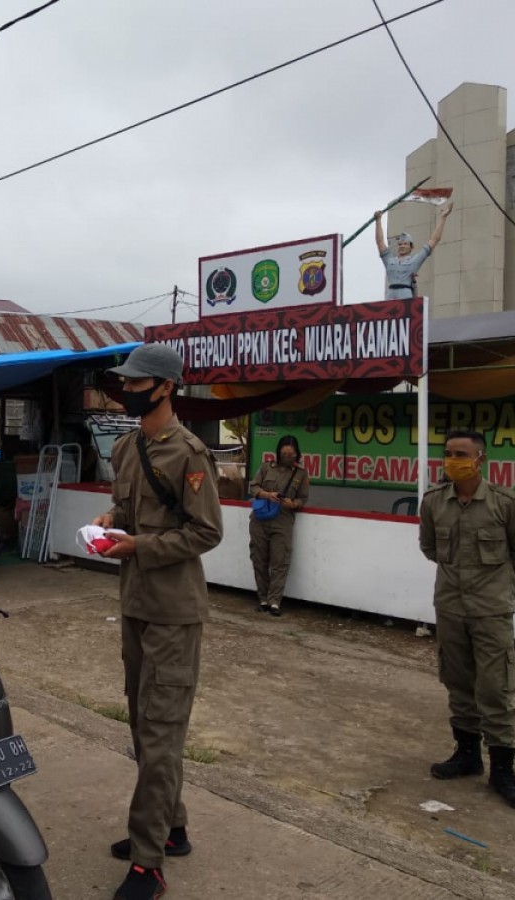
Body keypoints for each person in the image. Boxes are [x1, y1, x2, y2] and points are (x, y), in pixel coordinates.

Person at [90, 343, 223, 900]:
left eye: (138, 382)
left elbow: (206, 532)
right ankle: (172, 827)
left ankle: (148, 862)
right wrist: (109, 519)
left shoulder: (189, 453)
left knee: (163, 733)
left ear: (165, 387)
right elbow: (129, 509)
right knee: (146, 727)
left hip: (174, 614)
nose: (127, 389)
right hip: (136, 606)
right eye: (125, 381)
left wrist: (137, 544)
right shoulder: (126, 446)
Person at [418, 428, 515, 811]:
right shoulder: (434, 501)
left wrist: (497, 587)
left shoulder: (506, 502)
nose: (452, 459)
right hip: (450, 609)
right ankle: (467, 754)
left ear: (480, 459)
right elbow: (429, 548)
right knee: (457, 681)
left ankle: (503, 769)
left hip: (491, 611)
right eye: (449, 452)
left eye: (461, 453)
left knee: (495, 687)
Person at [247, 435, 311, 617]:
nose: (287, 457)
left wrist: (293, 503)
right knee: (259, 560)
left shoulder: (301, 474)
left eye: (291, 455)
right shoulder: (267, 467)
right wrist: (266, 494)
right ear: (278, 453)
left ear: (296, 455)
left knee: (280, 562)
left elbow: (303, 499)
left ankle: (275, 601)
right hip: (260, 520)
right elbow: (253, 487)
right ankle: (263, 599)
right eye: (284, 454)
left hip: (282, 521)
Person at [375, 202, 452, 299]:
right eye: (400, 244)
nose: (402, 246)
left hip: (406, 294)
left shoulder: (414, 260)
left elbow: (434, 240)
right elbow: (380, 242)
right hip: (391, 294)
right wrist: (378, 221)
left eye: (405, 244)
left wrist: (443, 218)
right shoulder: (390, 260)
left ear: (411, 247)